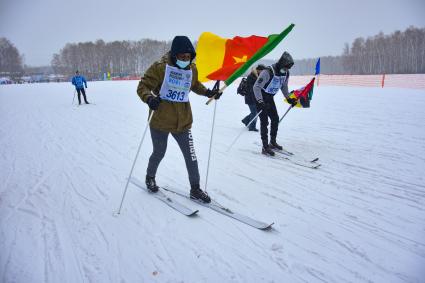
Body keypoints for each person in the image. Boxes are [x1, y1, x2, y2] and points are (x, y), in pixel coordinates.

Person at [136, 35, 221, 203]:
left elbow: (194, 84)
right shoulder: (160, 68)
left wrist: (208, 92)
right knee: (159, 152)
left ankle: (195, 189)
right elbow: (143, 86)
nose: (185, 60)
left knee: (191, 156)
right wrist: (149, 98)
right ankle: (150, 177)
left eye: (188, 57)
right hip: (160, 120)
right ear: (175, 55)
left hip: (183, 122)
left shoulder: (192, 69)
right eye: (182, 57)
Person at [253, 51, 297, 156]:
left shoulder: (286, 73)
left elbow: (284, 86)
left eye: (288, 68)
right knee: (264, 122)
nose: (286, 70)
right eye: (285, 67)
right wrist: (261, 102)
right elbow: (256, 87)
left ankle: (272, 142)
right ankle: (265, 147)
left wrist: (289, 98)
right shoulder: (268, 72)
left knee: (275, 119)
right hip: (260, 97)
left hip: (270, 97)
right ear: (281, 63)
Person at [240, 64, 267, 132]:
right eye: (262, 71)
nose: (263, 73)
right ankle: (252, 127)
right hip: (251, 98)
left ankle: (246, 120)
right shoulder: (252, 77)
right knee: (255, 112)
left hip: (253, 97)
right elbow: (252, 90)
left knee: (255, 112)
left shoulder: (256, 76)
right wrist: (256, 99)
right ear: (258, 70)